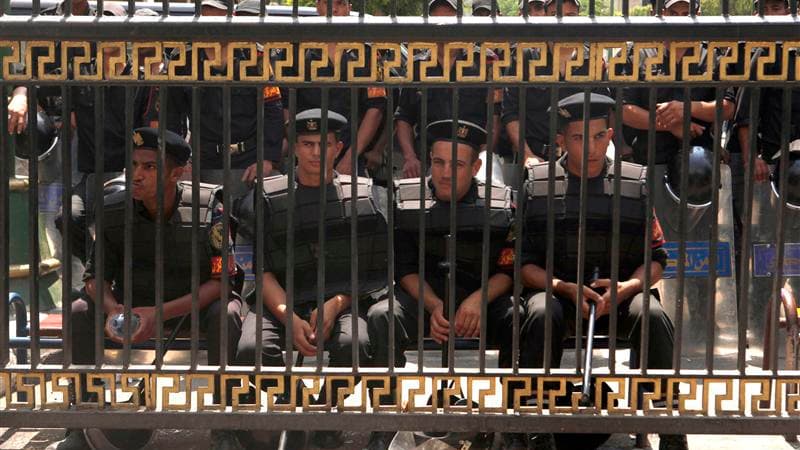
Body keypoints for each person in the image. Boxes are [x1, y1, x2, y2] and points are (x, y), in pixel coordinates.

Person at [55, 128, 243, 450]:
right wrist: (113, 308)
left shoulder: (211, 206)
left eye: (149, 167)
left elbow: (222, 281)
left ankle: (224, 428)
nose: (136, 176)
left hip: (193, 308)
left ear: (176, 173)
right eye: (133, 165)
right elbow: (94, 278)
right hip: (135, 307)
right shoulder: (113, 209)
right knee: (78, 312)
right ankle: (82, 421)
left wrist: (160, 313)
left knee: (226, 314)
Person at [519, 93, 687, 450]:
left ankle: (669, 425)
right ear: (562, 140)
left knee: (653, 315)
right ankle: (532, 425)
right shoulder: (538, 184)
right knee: (538, 312)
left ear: (610, 135)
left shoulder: (634, 182)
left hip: (619, 298)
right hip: (560, 298)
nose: (591, 147)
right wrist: (563, 288)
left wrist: (628, 287)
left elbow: (657, 258)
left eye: (598, 136)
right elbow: (523, 265)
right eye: (579, 138)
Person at [234, 109, 389, 450]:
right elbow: (258, 270)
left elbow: (370, 270)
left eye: (325, 144)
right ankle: (304, 410)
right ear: (294, 148)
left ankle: (324, 415)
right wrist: (288, 318)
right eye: (307, 144)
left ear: (339, 147)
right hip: (280, 301)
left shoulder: (362, 197)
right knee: (250, 349)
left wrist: (334, 306)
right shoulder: (265, 196)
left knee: (355, 345)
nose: (316, 152)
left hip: (341, 299)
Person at [367, 119, 518, 448]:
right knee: (382, 315)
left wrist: (477, 301)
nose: (446, 172)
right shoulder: (406, 199)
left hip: (480, 300)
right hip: (424, 298)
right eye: (438, 162)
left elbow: (508, 269)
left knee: (518, 318)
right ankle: (384, 422)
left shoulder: (501, 202)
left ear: (477, 166)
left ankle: (513, 427)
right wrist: (434, 305)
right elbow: (403, 267)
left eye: (457, 164)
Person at [165, 0, 284, 198]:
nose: (211, 26)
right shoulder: (183, 59)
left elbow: (272, 109)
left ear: (232, 17)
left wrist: (267, 158)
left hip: (249, 158)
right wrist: (178, 160)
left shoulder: (255, 55)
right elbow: (172, 116)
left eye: (217, 17)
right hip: (203, 158)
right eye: (206, 17)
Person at [272, 0, 387, 177]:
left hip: (350, 152)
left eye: (340, 4)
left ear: (349, 8)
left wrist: (350, 157)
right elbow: (286, 105)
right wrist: (298, 145)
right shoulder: (296, 51)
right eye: (327, 3)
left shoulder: (367, 53)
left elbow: (376, 109)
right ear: (318, 7)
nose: (334, 9)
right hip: (305, 150)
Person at [395, 0, 503, 179]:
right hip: (428, 158)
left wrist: (481, 158)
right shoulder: (417, 66)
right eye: (436, 20)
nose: (443, 27)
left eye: (448, 19)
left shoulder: (486, 61)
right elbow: (404, 117)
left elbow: (495, 118)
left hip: (473, 156)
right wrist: (410, 157)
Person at [621, 0, 736, 168]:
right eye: (674, 13)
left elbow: (728, 107)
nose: (680, 21)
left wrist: (686, 108)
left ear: (698, 15)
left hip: (700, 164)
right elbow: (624, 110)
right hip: (649, 160)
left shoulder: (712, 55)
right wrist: (670, 125)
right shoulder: (638, 52)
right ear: (662, 13)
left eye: (686, 14)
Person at [502, 0, 610, 167]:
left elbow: (603, 112)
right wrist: (527, 155)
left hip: (583, 157)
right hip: (535, 156)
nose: (563, 22)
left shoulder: (592, 59)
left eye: (570, 16)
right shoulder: (526, 56)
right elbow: (510, 112)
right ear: (545, 17)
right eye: (555, 15)